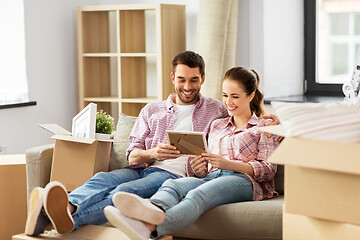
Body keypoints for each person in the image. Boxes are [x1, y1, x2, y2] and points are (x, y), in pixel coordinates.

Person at [24, 50, 229, 236]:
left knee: (120, 194)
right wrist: (154, 153)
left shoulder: (217, 110)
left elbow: (226, 145)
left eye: (194, 80)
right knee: (102, 179)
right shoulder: (151, 110)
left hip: (170, 176)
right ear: (173, 78)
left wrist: (202, 169)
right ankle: (67, 207)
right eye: (182, 80)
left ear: (202, 79)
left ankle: (57, 223)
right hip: (140, 167)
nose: (187, 87)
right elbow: (132, 155)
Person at [103, 66, 280, 240]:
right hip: (212, 176)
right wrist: (201, 168)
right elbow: (206, 169)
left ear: (250, 96)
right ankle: (150, 209)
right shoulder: (217, 124)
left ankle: (150, 228)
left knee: (198, 195)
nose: (228, 102)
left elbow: (268, 169)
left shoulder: (265, 126)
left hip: (244, 181)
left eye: (235, 96)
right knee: (174, 185)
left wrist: (227, 164)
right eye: (225, 95)